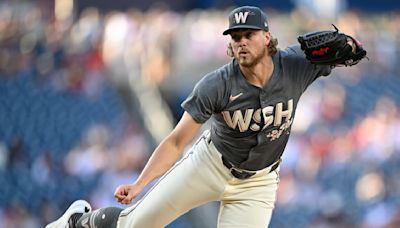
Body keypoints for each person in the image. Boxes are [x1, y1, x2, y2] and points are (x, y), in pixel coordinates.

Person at [47, 5, 366, 228]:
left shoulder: (296, 65)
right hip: (209, 165)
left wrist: (351, 43)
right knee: (135, 225)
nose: (241, 42)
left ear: (266, 38)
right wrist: (141, 183)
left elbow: (348, 50)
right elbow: (175, 142)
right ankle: (78, 221)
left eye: (249, 35)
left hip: (258, 183)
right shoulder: (217, 84)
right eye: (236, 36)